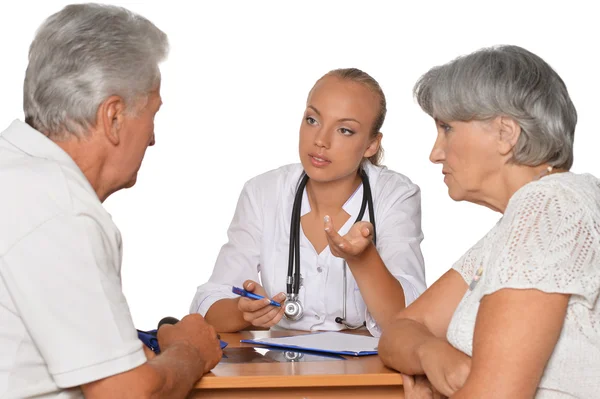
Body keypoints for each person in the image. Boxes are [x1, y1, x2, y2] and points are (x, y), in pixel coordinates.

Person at [0, 4, 221, 398]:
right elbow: (129, 395)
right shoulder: (62, 213)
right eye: (152, 113)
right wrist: (190, 349)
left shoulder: (16, 177)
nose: (152, 138)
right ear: (114, 117)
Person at [379, 45, 600, 398]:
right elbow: (402, 328)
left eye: (447, 128)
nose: (435, 153)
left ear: (505, 134)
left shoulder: (548, 206)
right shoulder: (521, 222)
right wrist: (434, 356)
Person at [190, 68, 427, 336]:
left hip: (367, 372)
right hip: (281, 371)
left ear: (372, 144)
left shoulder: (396, 195)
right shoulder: (263, 192)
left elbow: (410, 318)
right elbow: (209, 302)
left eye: (345, 130)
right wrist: (243, 312)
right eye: (312, 120)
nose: (320, 141)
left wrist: (363, 259)